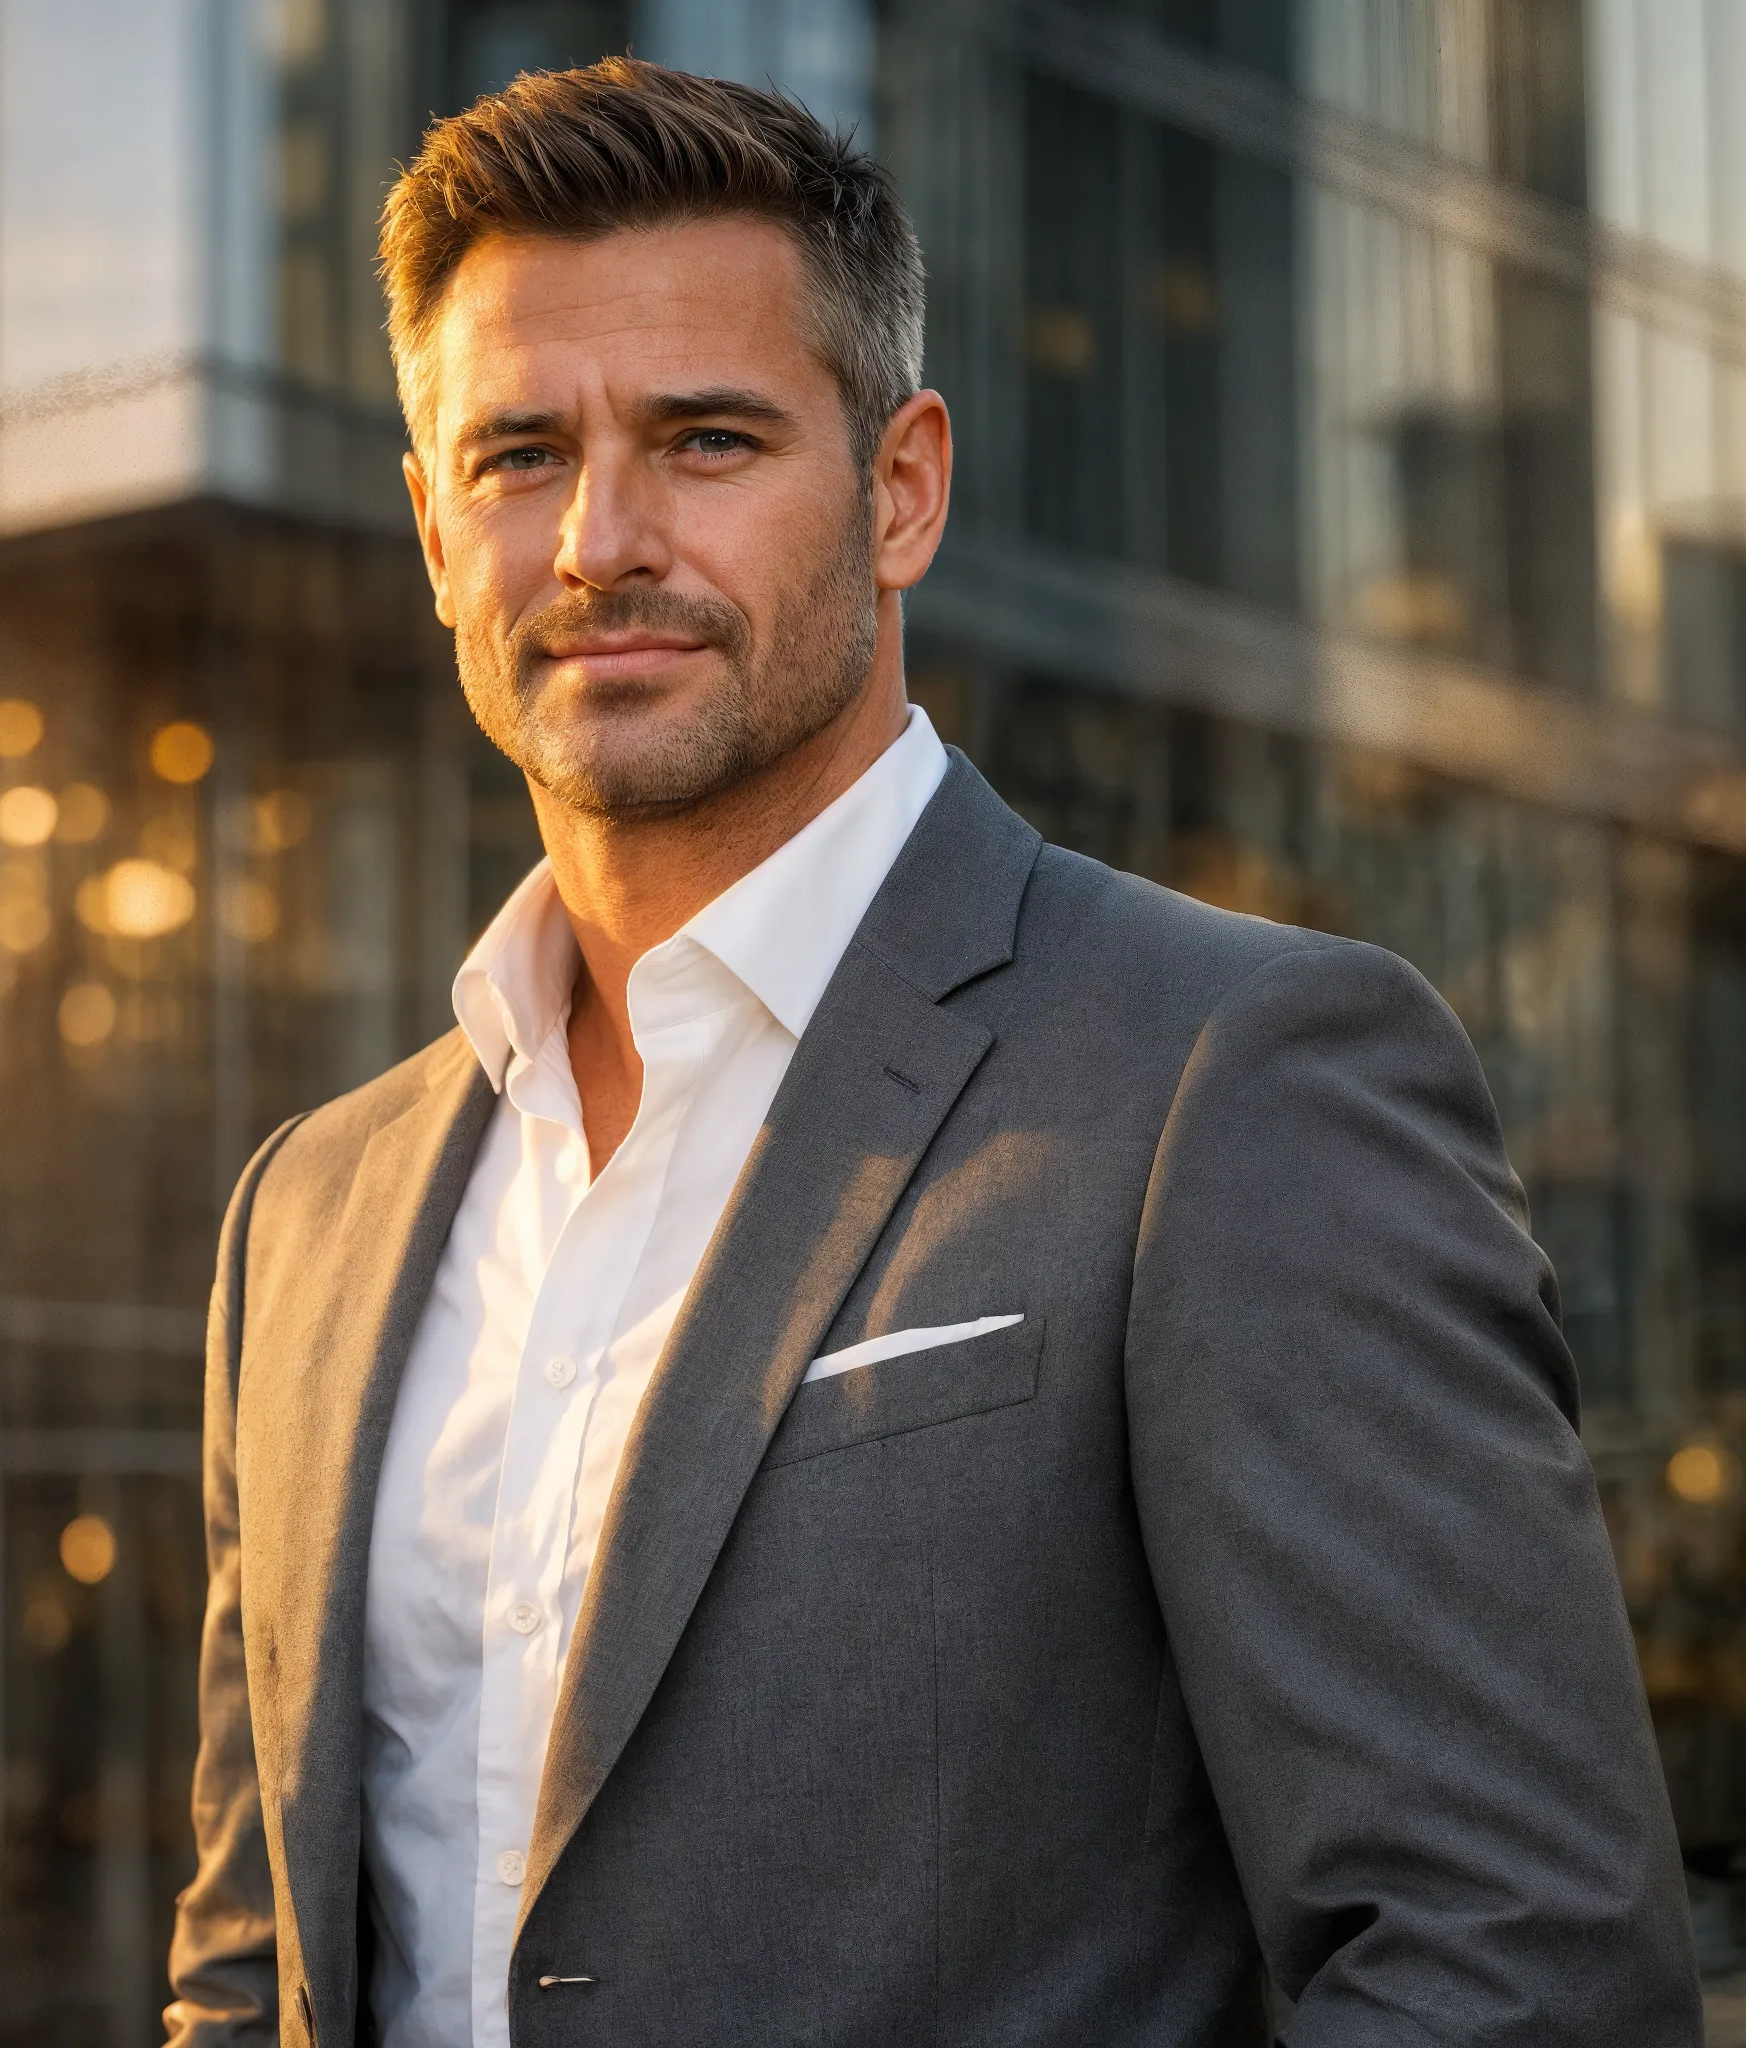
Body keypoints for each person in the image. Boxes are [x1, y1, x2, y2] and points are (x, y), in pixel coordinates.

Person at [165, 58, 1698, 2048]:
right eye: (517, 455)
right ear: (433, 528)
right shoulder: (311, 1209)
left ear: (901, 488)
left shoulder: (1234, 1080)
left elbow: (1519, 1971)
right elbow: (245, 1959)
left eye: (706, 440)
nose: (598, 538)